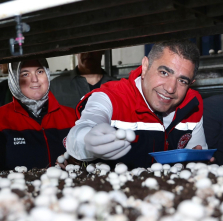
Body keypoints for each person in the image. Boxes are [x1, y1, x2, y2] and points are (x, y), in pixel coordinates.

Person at [66, 40, 209, 168]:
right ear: (145, 66)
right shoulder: (110, 97)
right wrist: (87, 141)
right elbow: (83, 129)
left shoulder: (192, 104)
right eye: (164, 73)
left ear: (191, 84)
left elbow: (197, 155)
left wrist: (195, 163)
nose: (170, 89)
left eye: (182, 81)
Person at [0, 59, 77, 171]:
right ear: (14, 79)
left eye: (39, 72)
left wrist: (78, 160)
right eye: (25, 74)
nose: (35, 79)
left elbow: (90, 161)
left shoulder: (73, 117)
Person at [50, 51, 116, 108]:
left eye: (93, 46)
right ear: (75, 52)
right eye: (83, 48)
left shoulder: (117, 87)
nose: (88, 52)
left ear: (103, 50)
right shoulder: (55, 87)